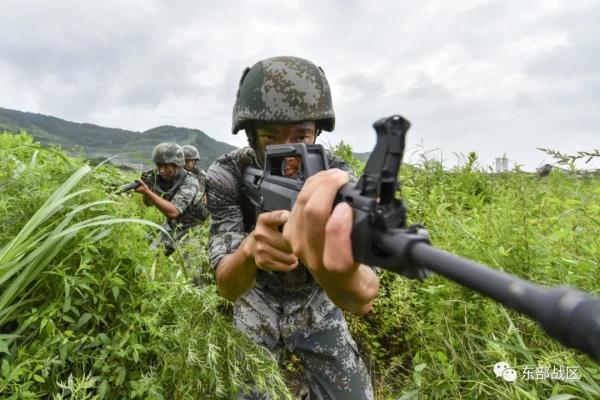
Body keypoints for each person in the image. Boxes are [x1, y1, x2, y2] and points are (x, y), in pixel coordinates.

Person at [206, 56, 379, 399]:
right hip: (256, 295)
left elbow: (362, 298)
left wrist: (322, 259)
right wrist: (251, 250)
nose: (287, 155)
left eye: (301, 135)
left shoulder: (339, 180)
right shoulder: (227, 175)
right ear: (251, 135)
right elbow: (227, 286)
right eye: (270, 138)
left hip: (315, 297)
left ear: (317, 132)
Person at [134, 142, 207, 256]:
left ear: (177, 164)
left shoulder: (191, 181)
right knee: (150, 257)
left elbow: (173, 211)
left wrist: (148, 192)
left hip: (192, 229)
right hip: (172, 225)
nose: (162, 170)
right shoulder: (163, 179)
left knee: (190, 270)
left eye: (166, 166)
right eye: (159, 166)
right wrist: (148, 190)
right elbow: (148, 204)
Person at [182, 144, 209, 209]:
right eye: (187, 160)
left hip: (196, 209)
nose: (190, 163)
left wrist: (205, 196)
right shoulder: (176, 174)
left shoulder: (202, 175)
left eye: (192, 160)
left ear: (195, 161)